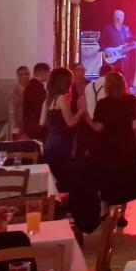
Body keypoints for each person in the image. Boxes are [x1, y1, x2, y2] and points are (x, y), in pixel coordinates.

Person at [84, 71, 136, 228]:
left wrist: (86, 117)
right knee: (125, 176)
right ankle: (121, 214)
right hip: (126, 143)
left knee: (107, 176)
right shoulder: (131, 100)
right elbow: (134, 118)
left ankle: (104, 210)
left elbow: (98, 127)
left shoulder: (103, 104)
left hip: (107, 144)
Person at [41, 67, 86, 205]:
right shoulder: (61, 98)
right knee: (64, 175)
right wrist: (81, 111)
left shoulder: (48, 100)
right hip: (61, 142)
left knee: (55, 174)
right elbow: (70, 122)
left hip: (50, 140)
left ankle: (54, 206)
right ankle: (64, 205)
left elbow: (42, 122)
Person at [101, 9, 135, 81]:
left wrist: (132, 43)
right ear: (114, 17)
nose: (120, 17)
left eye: (122, 16)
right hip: (112, 55)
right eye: (118, 15)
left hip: (123, 55)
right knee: (112, 72)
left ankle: (124, 84)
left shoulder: (125, 28)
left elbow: (130, 40)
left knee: (123, 73)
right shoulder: (108, 28)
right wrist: (105, 50)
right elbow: (102, 41)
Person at [21, 62, 50, 140]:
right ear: (43, 73)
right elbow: (41, 107)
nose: (49, 75)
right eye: (48, 72)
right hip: (35, 127)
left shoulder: (33, 85)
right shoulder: (35, 87)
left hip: (32, 126)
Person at [7, 65, 31, 138]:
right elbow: (11, 111)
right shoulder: (15, 91)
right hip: (18, 122)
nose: (24, 76)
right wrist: (15, 129)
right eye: (21, 74)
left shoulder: (32, 88)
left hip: (30, 123)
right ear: (17, 76)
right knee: (18, 142)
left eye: (26, 74)